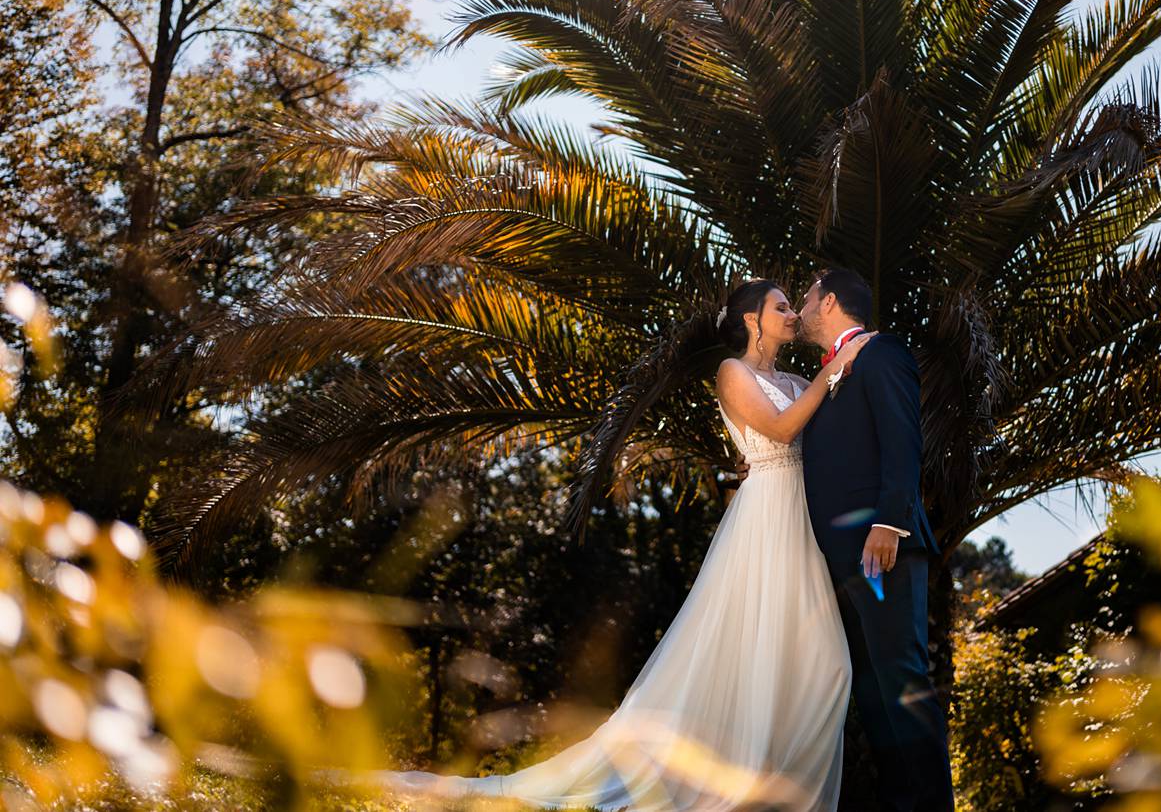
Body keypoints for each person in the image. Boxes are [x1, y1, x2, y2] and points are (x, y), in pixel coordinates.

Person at [319, 278, 875, 810]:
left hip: (803, 519)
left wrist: (841, 370)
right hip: (765, 517)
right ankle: (741, 783)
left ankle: (781, 784)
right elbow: (779, 431)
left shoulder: (802, 381)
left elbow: (826, 435)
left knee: (825, 665)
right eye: (781, 307)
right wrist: (834, 375)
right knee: (759, 651)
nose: (791, 315)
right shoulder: (733, 372)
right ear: (753, 320)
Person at [793, 266, 955, 812]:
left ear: (831, 301)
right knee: (871, 686)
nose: (799, 308)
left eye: (806, 298)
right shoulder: (826, 374)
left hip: (882, 547)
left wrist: (889, 523)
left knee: (903, 678)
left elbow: (902, 440)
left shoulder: (881, 352)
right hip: (842, 559)